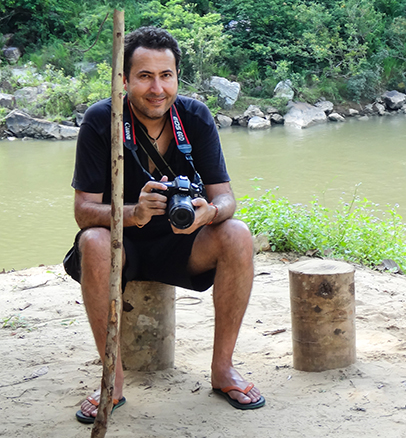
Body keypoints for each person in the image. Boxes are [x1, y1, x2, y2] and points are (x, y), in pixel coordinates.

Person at [64, 26, 264, 423]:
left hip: (184, 243)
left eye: (166, 75)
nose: (157, 88)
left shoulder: (194, 116)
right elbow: (84, 211)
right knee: (94, 241)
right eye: (144, 76)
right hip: (125, 246)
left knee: (238, 233)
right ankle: (112, 381)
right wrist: (133, 212)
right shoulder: (102, 120)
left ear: (176, 77)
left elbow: (227, 198)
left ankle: (223, 369)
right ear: (124, 80)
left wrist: (210, 212)